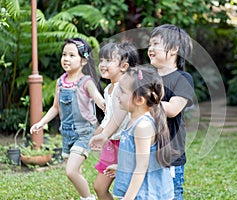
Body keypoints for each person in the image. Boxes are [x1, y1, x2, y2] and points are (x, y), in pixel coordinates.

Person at [30, 38, 105, 200]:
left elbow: (97, 98)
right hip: (66, 133)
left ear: (83, 60)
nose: (66, 59)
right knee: (75, 171)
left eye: (72, 55)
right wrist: (41, 123)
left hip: (84, 133)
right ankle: (84, 195)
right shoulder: (60, 82)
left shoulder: (86, 82)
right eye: (64, 54)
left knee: (70, 171)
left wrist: (103, 104)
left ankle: (88, 198)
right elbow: (55, 107)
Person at [112, 65, 174, 199]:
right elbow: (140, 158)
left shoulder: (143, 126)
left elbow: (142, 166)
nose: (117, 94)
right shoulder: (133, 121)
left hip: (147, 193)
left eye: (122, 91)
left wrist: (127, 198)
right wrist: (120, 167)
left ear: (139, 100)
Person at [148, 24, 195, 200]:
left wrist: (144, 99)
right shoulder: (148, 77)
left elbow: (173, 109)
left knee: (171, 194)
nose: (150, 48)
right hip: (146, 149)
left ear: (174, 49)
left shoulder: (182, 79)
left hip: (170, 154)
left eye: (155, 44)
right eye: (149, 44)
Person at [92, 41, 139, 200]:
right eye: (101, 60)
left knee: (128, 189)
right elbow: (110, 116)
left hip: (126, 144)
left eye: (108, 60)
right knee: (99, 187)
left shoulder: (124, 87)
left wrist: (104, 134)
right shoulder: (108, 89)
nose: (103, 64)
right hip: (112, 143)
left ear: (124, 66)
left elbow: (119, 116)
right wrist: (100, 131)